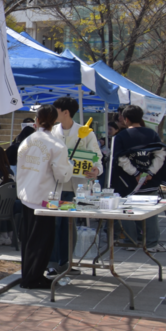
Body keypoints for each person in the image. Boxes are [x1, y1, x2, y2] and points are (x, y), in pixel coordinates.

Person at [16, 105, 73, 289]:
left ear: (37, 120)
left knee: (28, 240)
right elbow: (62, 175)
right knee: (43, 241)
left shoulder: (27, 141)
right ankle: (33, 278)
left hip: (26, 195)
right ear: (55, 121)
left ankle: (30, 275)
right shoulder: (56, 145)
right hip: (45, 199)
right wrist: (69, 165)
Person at [49, 96, 102, 273]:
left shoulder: (86, 132)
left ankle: (67, 262)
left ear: (66, 112)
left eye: (55, 110)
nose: (52, 113)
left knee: (69, 224)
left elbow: (96, 156)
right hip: (53, 188)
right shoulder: (50, 131)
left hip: (74, 188)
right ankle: (53, 263)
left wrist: (96, 170)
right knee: (54, 224)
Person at [111, 104, 166, 252]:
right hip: (150, 181)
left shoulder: (121, 136)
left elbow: (120, 159)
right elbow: (161, 154)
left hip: (127, 182)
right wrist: (150, 173)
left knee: (127, 210)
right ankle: (151, 243)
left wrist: (136, 173)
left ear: (126, 119)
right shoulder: (152, 134)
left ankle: (130, 241)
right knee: (150, 211)